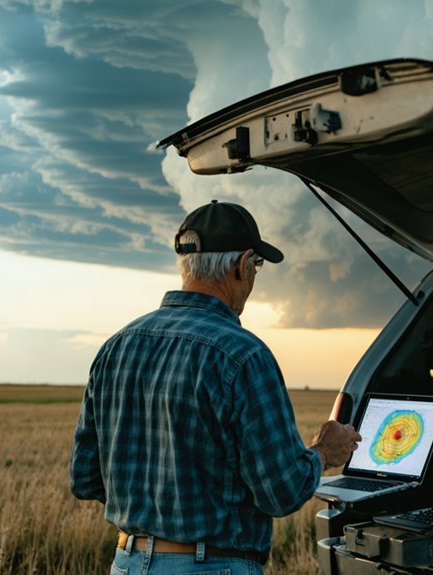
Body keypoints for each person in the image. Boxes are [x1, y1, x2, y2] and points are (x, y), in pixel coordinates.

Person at [70, 200, 361, 574]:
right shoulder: (244, 355)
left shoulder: (115, 346)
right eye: (257, 266)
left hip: (125, 563)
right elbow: (280, 492)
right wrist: (324, 451)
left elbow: (85, 479)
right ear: (243, 265)